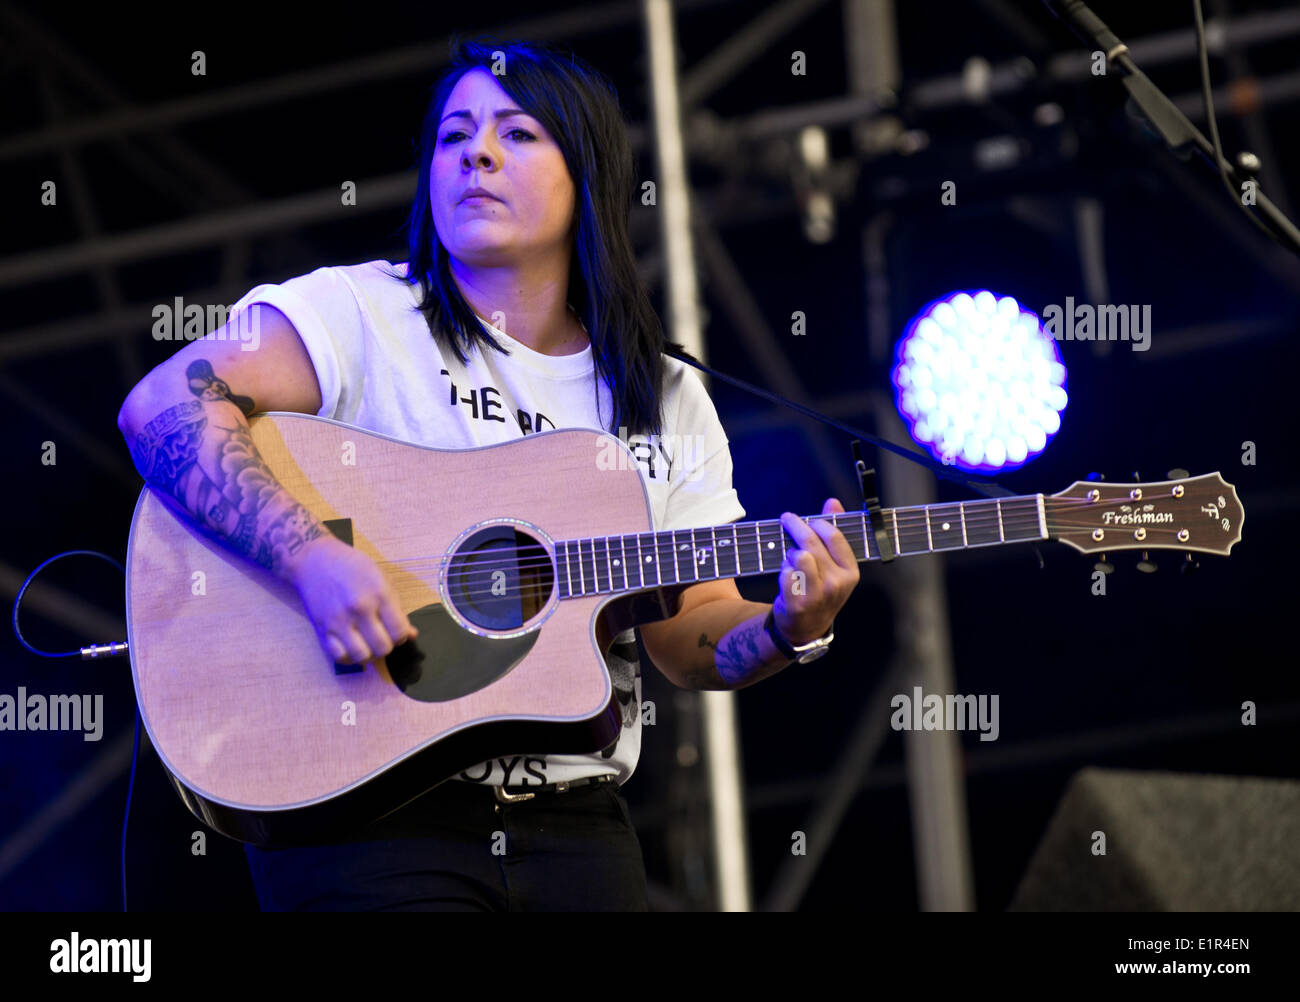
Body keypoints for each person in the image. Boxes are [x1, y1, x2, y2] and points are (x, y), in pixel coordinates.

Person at [116, 37, 859, 911]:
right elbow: (162, 407)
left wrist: (786, 628)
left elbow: (690, 636)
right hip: (366, 823)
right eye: (454, 135)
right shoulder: (359, 313)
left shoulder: (662, 392)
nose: (477, 152)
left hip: (579, 831)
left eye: (518, 132)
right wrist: (312, 559)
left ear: (589, 174)